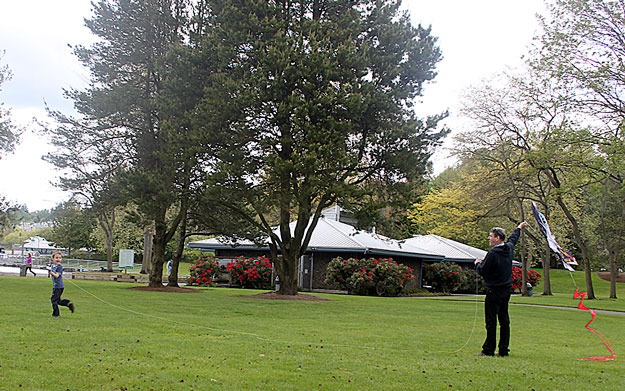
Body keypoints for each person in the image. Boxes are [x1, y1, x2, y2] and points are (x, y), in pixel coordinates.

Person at [475, 221, 528, 357]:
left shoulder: (493, 253)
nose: (489, 238)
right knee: (504, 320)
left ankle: (489, 350)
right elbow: (513, 239)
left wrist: (477, 264)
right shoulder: (508, 248)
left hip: (494, 291)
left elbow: (484, 271)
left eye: (491, 236)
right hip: (506, 290)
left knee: (491, 321)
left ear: (498, 238)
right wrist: (519, 228)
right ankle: (504, 349)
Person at [48, 251, 75, 317]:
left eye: (60, 258)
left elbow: (57, 276)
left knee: (53, 300)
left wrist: (51, 272)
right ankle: (68, 303)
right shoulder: (53, 266)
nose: (58, 259)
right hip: (56, 286)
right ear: (53, 258)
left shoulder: (59, 267)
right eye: (56, 258)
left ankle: (56, 314)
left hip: (59, 287)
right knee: (58, 301)